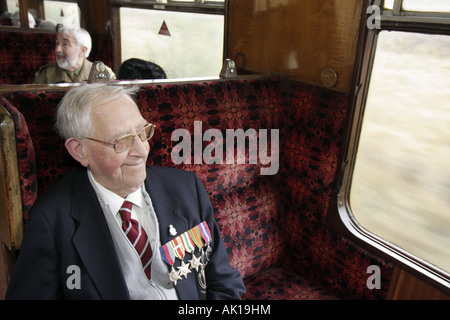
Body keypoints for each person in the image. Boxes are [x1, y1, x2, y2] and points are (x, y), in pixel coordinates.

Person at [33, 27, 116, 84]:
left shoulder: (103, 73)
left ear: (83, 50)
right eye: (57, 43)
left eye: (65, 44)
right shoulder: (45, 74)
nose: (57, 49)